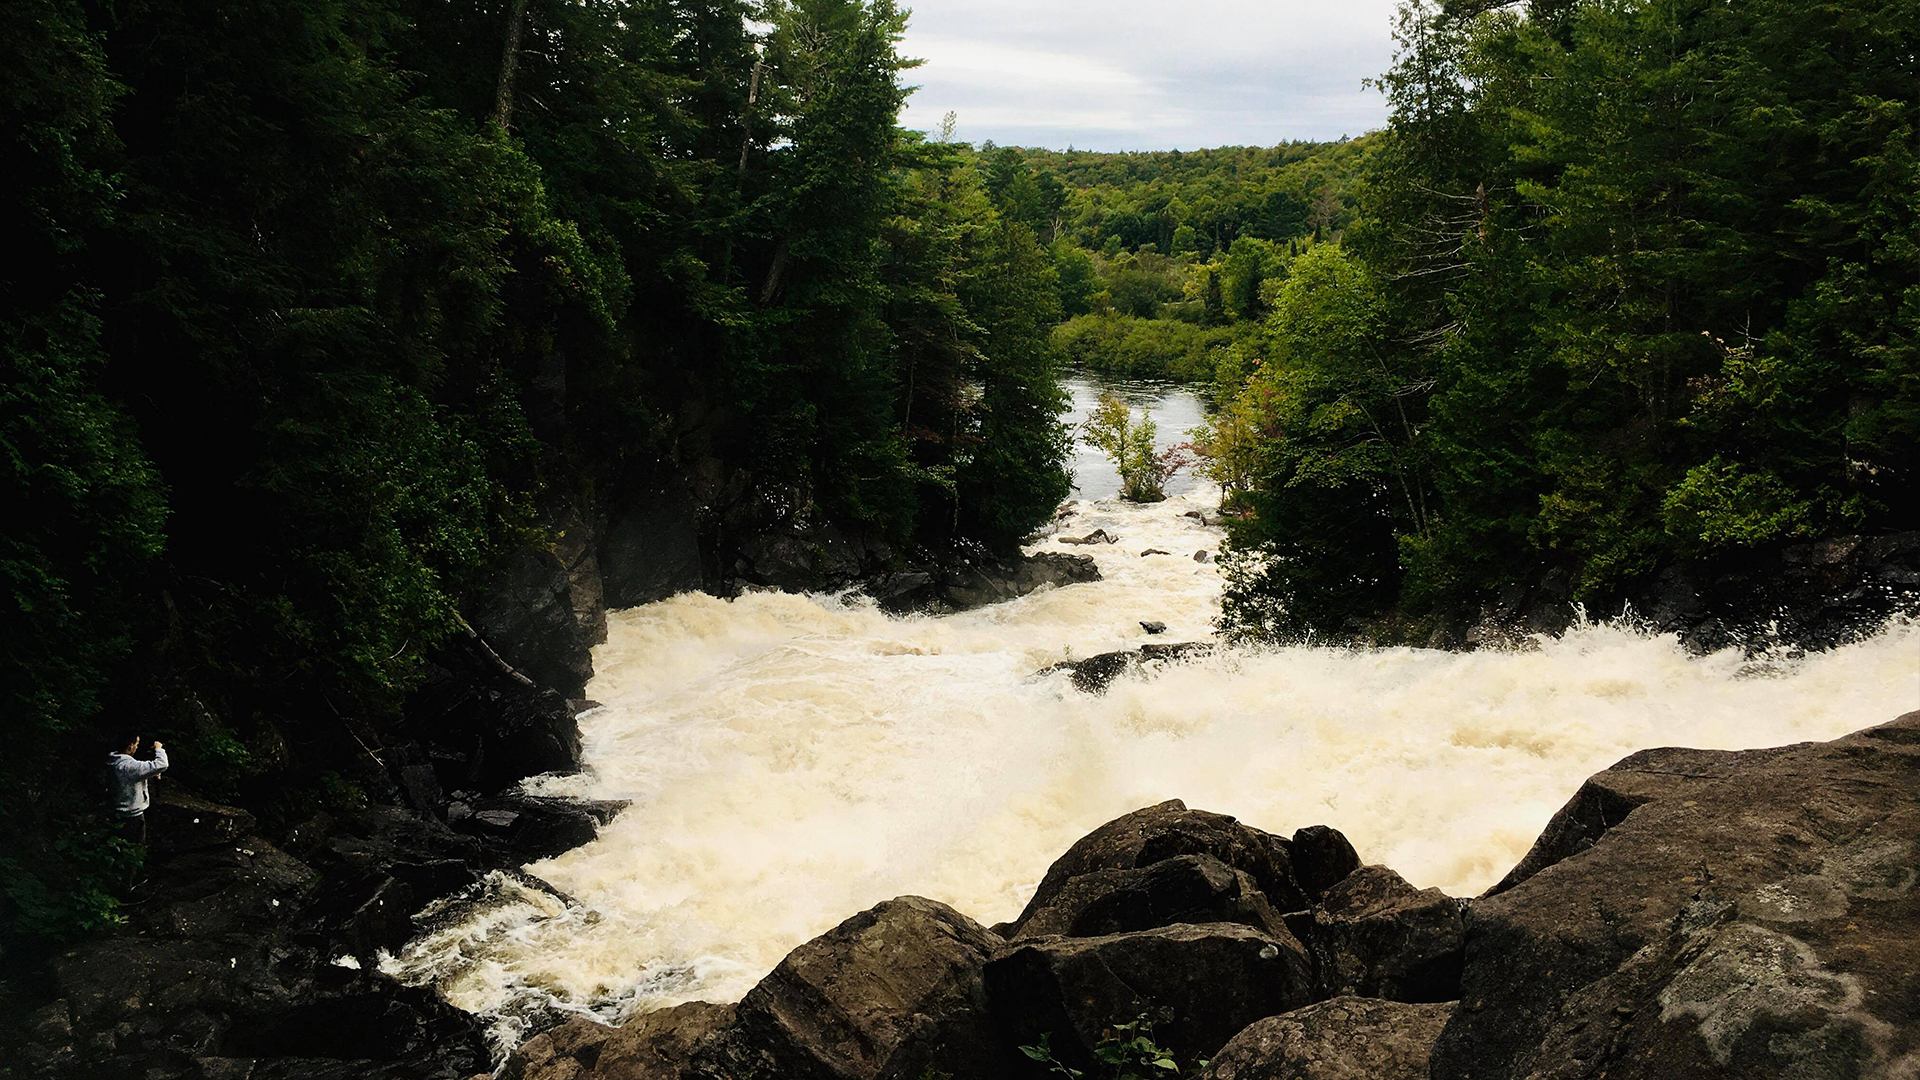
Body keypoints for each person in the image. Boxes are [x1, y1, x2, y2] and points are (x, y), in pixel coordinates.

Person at [107, 733, 168, 858]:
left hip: (118, 812)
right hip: (131, 816)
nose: (137, 747)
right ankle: (132, 876)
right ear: (129, 747)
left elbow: (131, 777)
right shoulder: (128, 766)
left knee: (120, 851)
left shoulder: (114, 762)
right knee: (134, 851)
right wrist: (159, 749)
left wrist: (148, 774)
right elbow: (162, 764)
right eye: (136, 744)